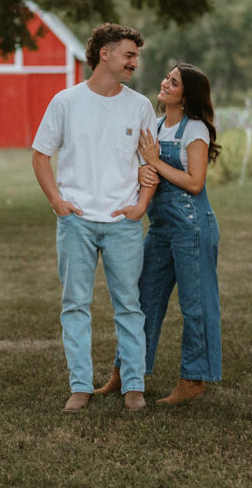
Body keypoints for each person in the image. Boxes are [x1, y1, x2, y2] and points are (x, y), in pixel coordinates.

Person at [31, 22, 158, 413]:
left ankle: (133, 386)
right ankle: (80, 386)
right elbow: (40, 154)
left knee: (130, 306)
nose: (135, 62)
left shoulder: (140, 106)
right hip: (76, 221)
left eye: (136, 56)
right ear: (105, 53)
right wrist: (58, 202)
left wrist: (141, 205)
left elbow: (150, 164)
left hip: (123, 222)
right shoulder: (65, 102)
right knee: (75, 305)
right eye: (129, 54)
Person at [94, 63, 222, 404]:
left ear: (186, 94)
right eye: (167, 77)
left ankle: (193, 380)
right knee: (142, 300)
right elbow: (143, 168)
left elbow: (195, 183)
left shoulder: (195, 129)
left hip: (192, 227)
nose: (165, 83)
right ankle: (125, 374)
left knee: (196, 304)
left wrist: (156, 161)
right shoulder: (157, 124)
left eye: (174, 81)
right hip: (161, 227)